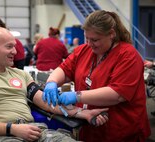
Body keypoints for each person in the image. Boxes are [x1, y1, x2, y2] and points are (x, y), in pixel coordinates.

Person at [0, 27, 109, 142]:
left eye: (15, 46)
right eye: (9, 47)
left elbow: (44, 101)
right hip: (2, 135)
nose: (15, 52)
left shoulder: (21, 74)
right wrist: (12, 129)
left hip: (33, 131)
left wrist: (83, 113)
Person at [42, 10, 151, 142]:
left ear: (111, 34)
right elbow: (64, 70)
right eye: (86, 38)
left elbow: (117, 94)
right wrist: (51, 82)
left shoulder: (128, 56)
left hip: (121, 130)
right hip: (91, 127)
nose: (89, 43)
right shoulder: (85, 50)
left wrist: (76, 96)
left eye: (94, 40)